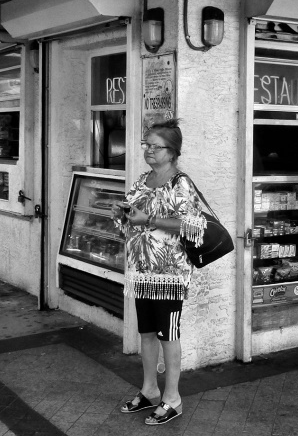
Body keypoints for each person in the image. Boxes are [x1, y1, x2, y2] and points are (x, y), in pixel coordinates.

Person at [112, 119, 202, 425]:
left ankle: (172, 398)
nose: (149, 151)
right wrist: (122, 214)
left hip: (170, 275)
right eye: (146, 145)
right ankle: (150, 389)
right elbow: (132, 219)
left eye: (156, 146)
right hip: (142, 272)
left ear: (172, 150)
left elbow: (191, 225)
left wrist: (148, 220)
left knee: (168, 334)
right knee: (146, 333)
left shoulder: (181, 184)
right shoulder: (143, 180)